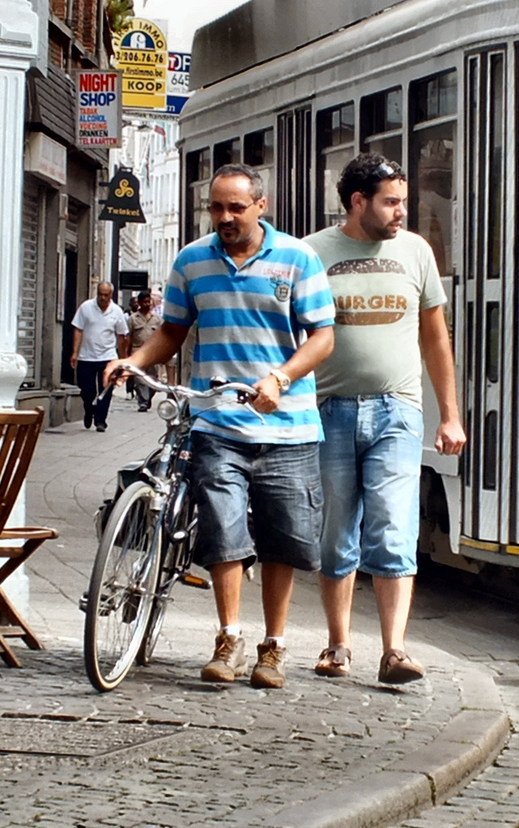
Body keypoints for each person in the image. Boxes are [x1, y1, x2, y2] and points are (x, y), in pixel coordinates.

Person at [107, 164, 335, 689]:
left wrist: (280, 378)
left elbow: (323, 338)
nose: (225, 218)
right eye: (216, 208)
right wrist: (135, 362)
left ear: (261, 205)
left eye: (236, 208)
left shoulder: (298, 258)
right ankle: (228, 637)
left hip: (288, 426)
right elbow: (172, 332)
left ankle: (273, 647)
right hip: (217, 423)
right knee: (223, 532)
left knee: (284, 539)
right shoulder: (192, 260)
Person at [303, 154, 466, 685]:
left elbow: (435, 338)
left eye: (403, 202)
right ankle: (337, 645)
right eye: (391, 202)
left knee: (394, 527)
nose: (401, 212)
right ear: (357, 202)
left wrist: (450, 415)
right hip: (328, 411)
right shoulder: (312, 253)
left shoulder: (415, 251)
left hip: (398, 409)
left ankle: (395, 650)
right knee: (335, 534)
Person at [69, 281, 128, 432]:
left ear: (111, 295)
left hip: (108, 357)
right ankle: (89, 409)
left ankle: (101, 421)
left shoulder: (116, 311)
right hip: (86, 356)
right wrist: (75, 352)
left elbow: (121, 336)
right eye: (100, 294)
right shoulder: (86, 307)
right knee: (87, 390)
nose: (102, 298)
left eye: (106, 295)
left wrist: (123, 360)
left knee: (105, 390)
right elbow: (78, 330)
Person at [125, 287, 165, 411]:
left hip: (153, 352)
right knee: (140, 379)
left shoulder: (157, 319)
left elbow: (162, 336)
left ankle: (148, 397)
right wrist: (126, 354)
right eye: (145, 302)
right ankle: (143, 402)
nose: (147, 304)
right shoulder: (133, 319)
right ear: (139, 303)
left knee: (153, 380)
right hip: (137, 351)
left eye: (149, 302)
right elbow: (128, 337)